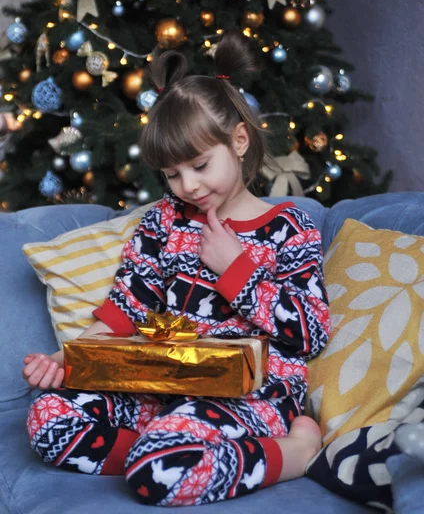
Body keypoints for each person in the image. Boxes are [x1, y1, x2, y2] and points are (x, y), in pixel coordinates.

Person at [23, 29, 330, 507]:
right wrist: (70, 360)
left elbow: (310, 332)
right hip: (160, 386)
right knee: (47, 419)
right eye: (171, 174)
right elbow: (126, 308)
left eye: (200, 165)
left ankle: (293, 451)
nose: (186, 185)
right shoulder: (163, 221)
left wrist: (237, 271)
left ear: (241, 141)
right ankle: (169, 443)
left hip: (252, 398)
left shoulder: (290, 227)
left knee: (155, 473)